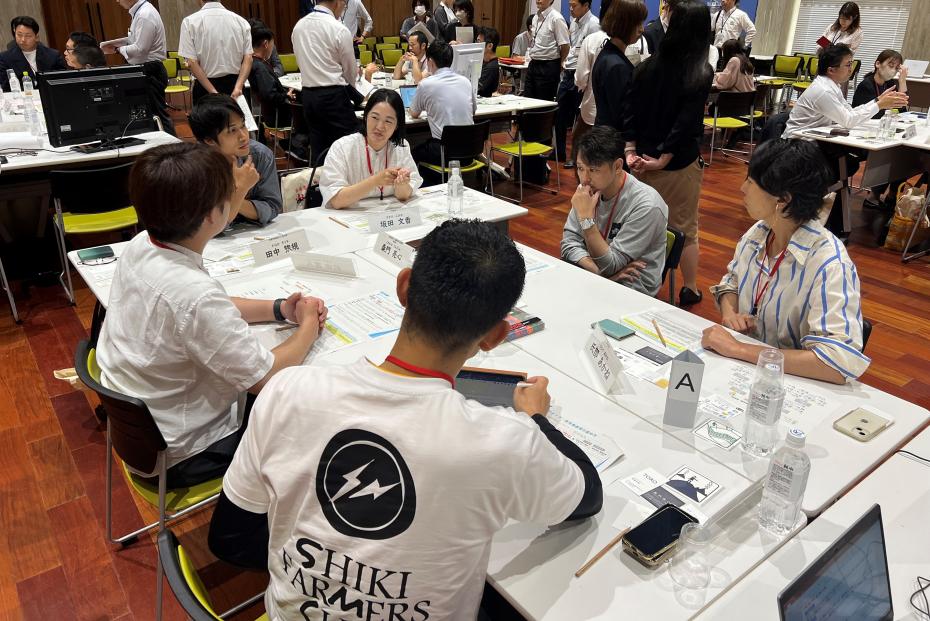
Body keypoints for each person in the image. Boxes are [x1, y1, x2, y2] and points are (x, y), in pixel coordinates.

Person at [207, 218, 603, 618]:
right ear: (495, 336)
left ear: (403, 287)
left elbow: (230, 537)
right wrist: (536, 418)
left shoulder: (287, 390)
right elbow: (586, 496)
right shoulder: (504, 442)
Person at [96, 142, 327, 488]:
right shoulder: (193, 294)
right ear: (211, 215)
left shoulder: (143, 244)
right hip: (185, 451)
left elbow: (202, 308)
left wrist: (278, 308)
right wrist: (309, 325)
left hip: (144, 425)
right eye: (228, 193)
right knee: (307, 414)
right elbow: (265, 377)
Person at [704, 139, 870, 384]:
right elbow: (731, 283)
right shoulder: (759, 233)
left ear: (783, 199)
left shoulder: (829, 264)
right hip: (746, 373)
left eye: (751, 182)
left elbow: (836, 363)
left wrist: (739, 349)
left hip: (792, 384)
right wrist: (730, 313)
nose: (742, 188)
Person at [623, 0, 712, 307]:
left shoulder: (644, 67)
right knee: (685, 227)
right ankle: (689, 287)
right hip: (677, 164)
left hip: (640, 161)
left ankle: (634, 282)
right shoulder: (700, 72)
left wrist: (631, 149)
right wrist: (665, 156)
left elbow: (629, 111)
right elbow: (686, 121)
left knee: (640, 224)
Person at [783, 44, 907, 236]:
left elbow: (849, 113)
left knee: (846, 164)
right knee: (843, 166)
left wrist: (877, 102)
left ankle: (833, 223)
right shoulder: (823, 90)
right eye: (848, 64)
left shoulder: (832, 86)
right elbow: (848, 120)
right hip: (798, 147)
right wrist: (878, 104)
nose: (851, 69)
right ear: (831, 70)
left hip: (815, 141)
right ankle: (833, 225)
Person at [561, 126, 668, 296]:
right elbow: (568, 244)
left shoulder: (647, 205)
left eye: (593, 170)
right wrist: (598, 272)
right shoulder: (587, 190)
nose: (585, 178)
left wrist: (586, 220)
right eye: (580, 168)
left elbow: (611, 265)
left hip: (632, 288)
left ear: (618, 166)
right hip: (595, 276)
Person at [189, 94, 282, 226]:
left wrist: (232, 199)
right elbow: (209, 227)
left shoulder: (260, 155)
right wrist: (241, 190)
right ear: (209, 140)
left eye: (243, 125)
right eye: (232, 130)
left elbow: (272, 207)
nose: (244, 136)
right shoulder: (194, 167)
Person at [320, 89, 423, 209]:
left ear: (397, 125)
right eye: (374, 117)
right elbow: (336, 201)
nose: (380, 126)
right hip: (348, 215)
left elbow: (404, 195)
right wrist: (375, 181)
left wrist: (402, 185)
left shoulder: (400, 146)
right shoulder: (342, 147)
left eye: (388, 121)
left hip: (385, 214)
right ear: (365, 117)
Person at [292, 0, 363, 165]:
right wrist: (352, 93)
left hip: (308, 95)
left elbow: (299, 60)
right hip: (333, 96)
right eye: (345, 4)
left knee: (319, 147)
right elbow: (350, 71)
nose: (344, 8)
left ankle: (320, 180)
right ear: (338, 2)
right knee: (351, 145)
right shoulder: (338, 28)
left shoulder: (298, 26)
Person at [100, 0, 176, 135]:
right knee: (149, 115)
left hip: (150, 70)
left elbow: (141, 48)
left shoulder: (145, 14)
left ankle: (172, 146)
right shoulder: (140, 12)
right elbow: (137, 40)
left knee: (158, 115)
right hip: (147, 69)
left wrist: (118, 49)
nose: (117, 1)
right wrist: (117, 44)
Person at [410, 40, 476, 184]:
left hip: (444, 154)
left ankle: (421, 189)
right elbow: (473, 111)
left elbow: (414, 113)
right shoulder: (465, 81)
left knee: (411, 152)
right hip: (470, 151)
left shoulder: (426, 84)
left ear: (430, 62)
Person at [853, 49, 909, 211]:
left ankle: (892, 194)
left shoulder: (890, 84)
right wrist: (889, 109)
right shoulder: (866, 85)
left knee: (905, 152)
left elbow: (902, 109)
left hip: (879, 131)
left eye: (896, 68)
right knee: (892, 153)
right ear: (878, 64)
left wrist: (902, 81)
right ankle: (873, 196)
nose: (893, 70)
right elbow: (872, 115)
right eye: (890, 65)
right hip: (862, 134)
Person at [179, 0, 252, 103]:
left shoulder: (189, 22)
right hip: (235, 86)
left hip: (205, 88)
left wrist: (214, 93)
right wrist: (238, 88)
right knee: (235, 114)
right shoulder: (241, 21)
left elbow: (192, 62)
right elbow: (248, 58)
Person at [555, 0, 600, 166]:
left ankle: (576, 157)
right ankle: (559, 152)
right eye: (569, 5)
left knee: (579, 119)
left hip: (582, 74)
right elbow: (572, 47)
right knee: (559, 114)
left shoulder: (594, 24)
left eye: (574, 5)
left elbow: (593, 54)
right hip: (568, 72)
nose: (570, 9)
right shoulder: (573, 22)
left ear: (586, 5)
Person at [592, 0, 646, 133]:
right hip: (612, 138)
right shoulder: (616, 65)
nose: (642, 29)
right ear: (624, 24)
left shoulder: (609, 55)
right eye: (637, 24)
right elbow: (623, 115)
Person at [573, 0, 612, 167]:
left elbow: (580, 78)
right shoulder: (638, 41)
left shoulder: (593, 39)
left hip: (592, 107)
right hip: (619, 113)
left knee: (583, 150)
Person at [0, 16, 67, 92]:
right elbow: (5, 87)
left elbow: (62, 81)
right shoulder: (5, 58)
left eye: (28, 36)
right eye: (19, 35)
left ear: (37, 37)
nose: (23, 39)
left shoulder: (53, 56)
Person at [250, 25, 296, 129]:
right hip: (280, 117)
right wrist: (287, 95)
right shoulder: (260, 67)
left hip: (270, 116)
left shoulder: (252, 62)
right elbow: (269, 95)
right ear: (266, 44)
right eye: (272, 43)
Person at [525, 0, 570, 102]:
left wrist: (560, 65)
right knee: (527, 100)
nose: (538, 0)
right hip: (533, 63)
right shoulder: (535, 17)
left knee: (542, 103)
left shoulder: (556, 18)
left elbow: (565, 45)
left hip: (548, 66)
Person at [477, 26, 500, 97]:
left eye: (479, 41)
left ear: (489, 46)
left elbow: (477, 88)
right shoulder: (484, 61)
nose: (476, 44)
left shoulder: (491, 67)